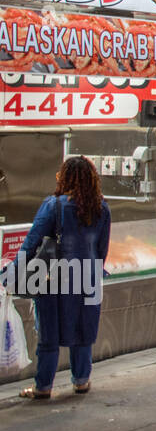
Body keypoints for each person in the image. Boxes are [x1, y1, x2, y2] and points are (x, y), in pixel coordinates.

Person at [2, 156, 111, 399]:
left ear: (65, 176)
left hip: (54, 278)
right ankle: (81, 381)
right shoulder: (102, 207)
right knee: (83, 333)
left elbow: (32, 243)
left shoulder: (54, 205)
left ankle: (43, 387)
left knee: (49, 335)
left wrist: (9, 272)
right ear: (93, 179)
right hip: (89, 279)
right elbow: (102, 249)